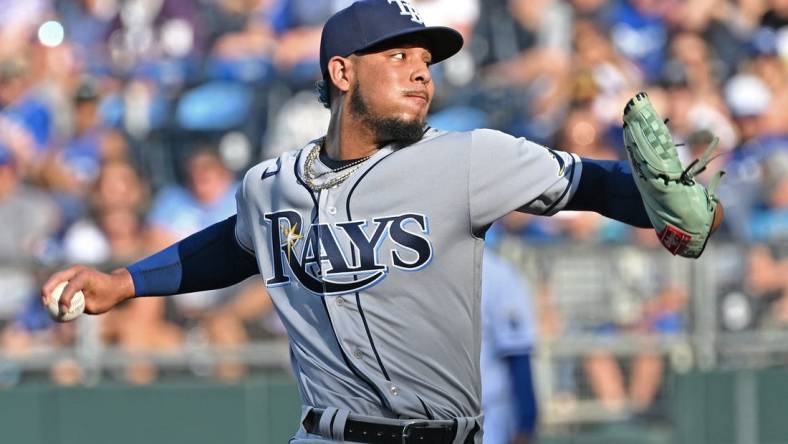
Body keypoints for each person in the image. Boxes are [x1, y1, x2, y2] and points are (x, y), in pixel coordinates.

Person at [42, 1, 723, 442]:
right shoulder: (271, 186)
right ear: (341, 71)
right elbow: (235, 242)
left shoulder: (470, 160)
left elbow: (590, 182)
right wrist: (124, 283)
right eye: (398, 56)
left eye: (425, 62)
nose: (420, 73)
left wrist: (665, 208)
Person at [480, 250, 538, 444]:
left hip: (486, 414)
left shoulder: (495, 272)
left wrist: (526, 422)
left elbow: (518, 351)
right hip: (425, 414)